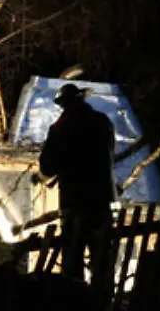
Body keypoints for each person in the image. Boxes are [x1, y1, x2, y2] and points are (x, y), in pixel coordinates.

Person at [38, 83, 117, 294]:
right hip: (101, 199)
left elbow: (47, 166)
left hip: (74, 201)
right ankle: (104, 301)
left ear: (63, 104)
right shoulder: (103, 122)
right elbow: (110, 151)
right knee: (102, 256)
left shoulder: (60, 128)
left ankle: (76, 300)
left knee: (73, 257)